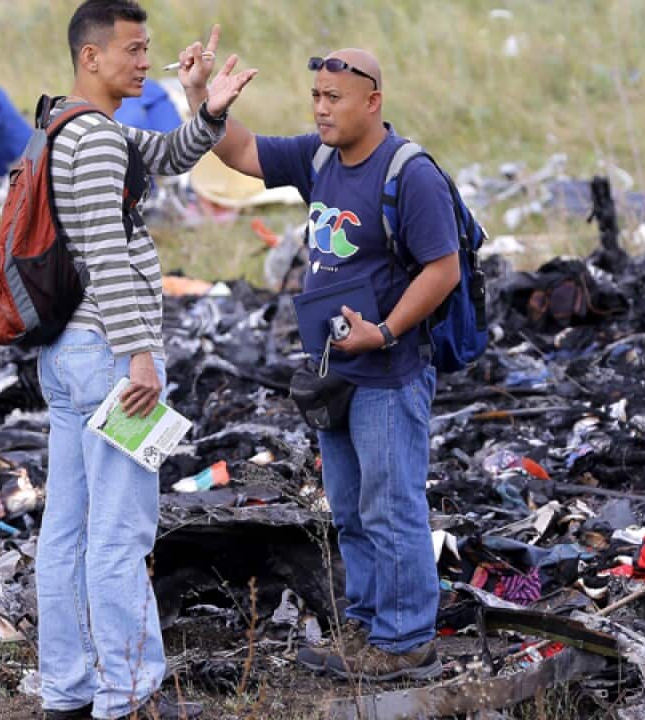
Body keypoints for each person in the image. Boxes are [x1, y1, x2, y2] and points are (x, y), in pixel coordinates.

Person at [180, 42, 460, 681]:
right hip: (335, 373)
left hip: (389, 370)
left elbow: (443, 269)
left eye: (335, 98)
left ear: (373, 101)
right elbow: (242, 154)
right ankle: (365, 628)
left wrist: (385, 331)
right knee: (352, 509)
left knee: (392, 506)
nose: (322, 108)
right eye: (316, 97)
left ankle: (407, 641)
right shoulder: (319, 157)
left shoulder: (406, 173)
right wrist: (201, 98)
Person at [34, 4, 255, 718]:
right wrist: (139, 357)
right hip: (108, 355)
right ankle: (128, 694)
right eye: (131, 50)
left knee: (65, 529)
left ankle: (66, 690)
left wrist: (206, 107)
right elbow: (105, 257)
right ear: (90, 57)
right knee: (121, 532)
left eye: (147, 49)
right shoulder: (94, 141)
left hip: (67, 354)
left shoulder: (67, 126)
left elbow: (162, 156)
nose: (143, 62)